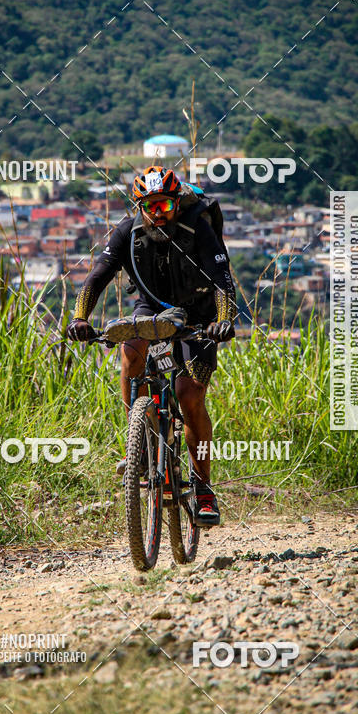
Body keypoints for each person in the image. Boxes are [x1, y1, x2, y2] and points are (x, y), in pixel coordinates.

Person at [67, 165, 237, 526]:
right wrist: (80, 317)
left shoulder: (198, 228)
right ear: (139, 205)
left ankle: (204, 487)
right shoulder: (127, 233)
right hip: (151, 305)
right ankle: (139, 439)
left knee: (189, 395)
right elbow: (97, 276)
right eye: (150, 206)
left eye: (166, 206)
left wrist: (223, 320)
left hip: (200, 311)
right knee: (129, 351)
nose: (158, 214)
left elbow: (224, 281)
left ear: (177, 202)